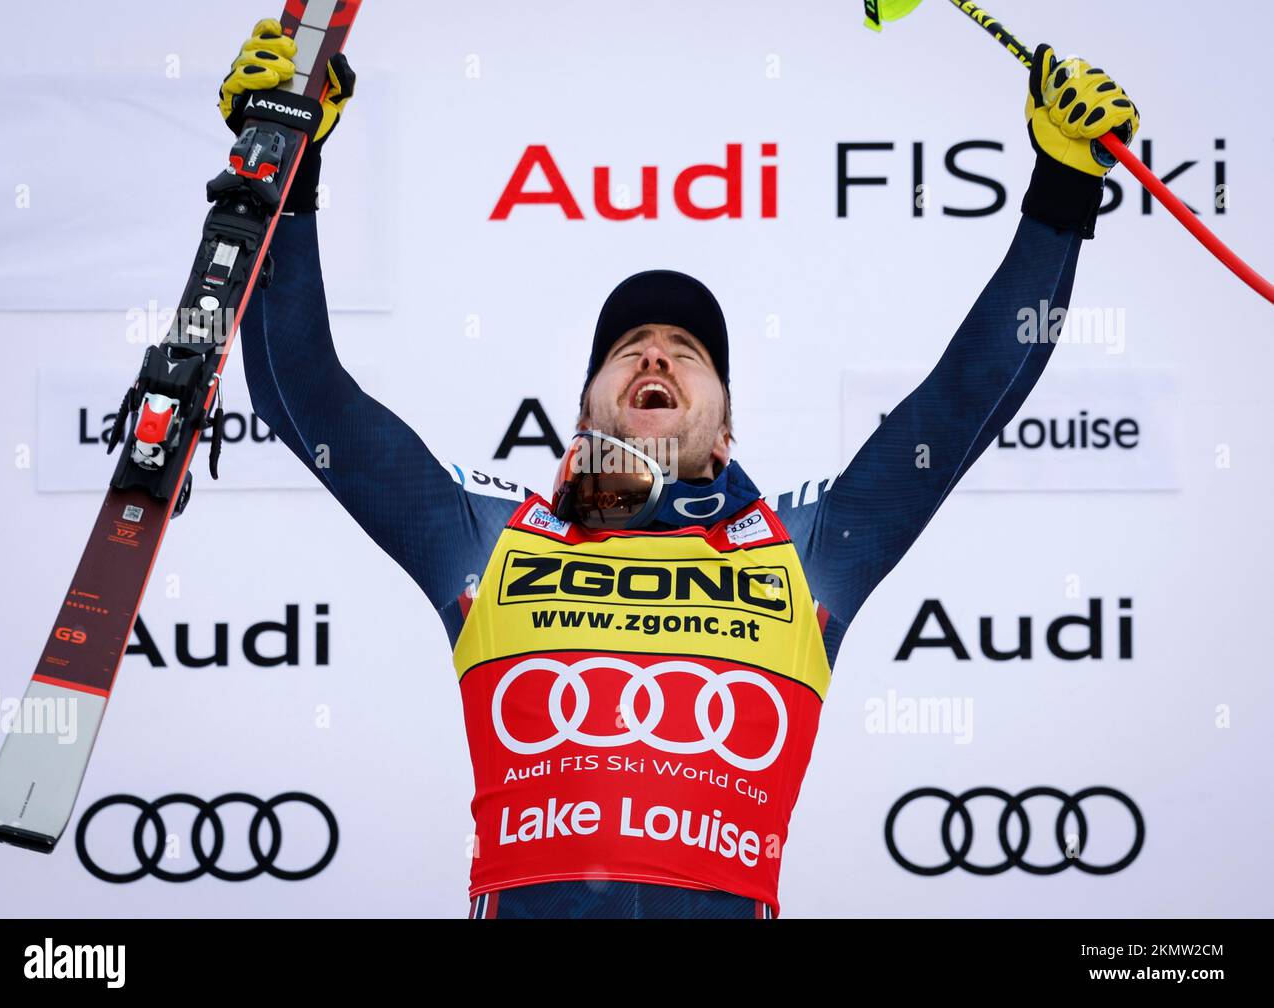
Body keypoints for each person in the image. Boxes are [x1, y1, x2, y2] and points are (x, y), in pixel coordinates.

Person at [223, 18, 1139, 918]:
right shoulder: (486, 538)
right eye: (630, 347)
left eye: (684, 351)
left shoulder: (804, 551)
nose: (656, 358)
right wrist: (289, 180)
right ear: (585, 410)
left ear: (725, 429)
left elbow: (971, 395)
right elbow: (302, 392)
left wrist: (1062, 188)